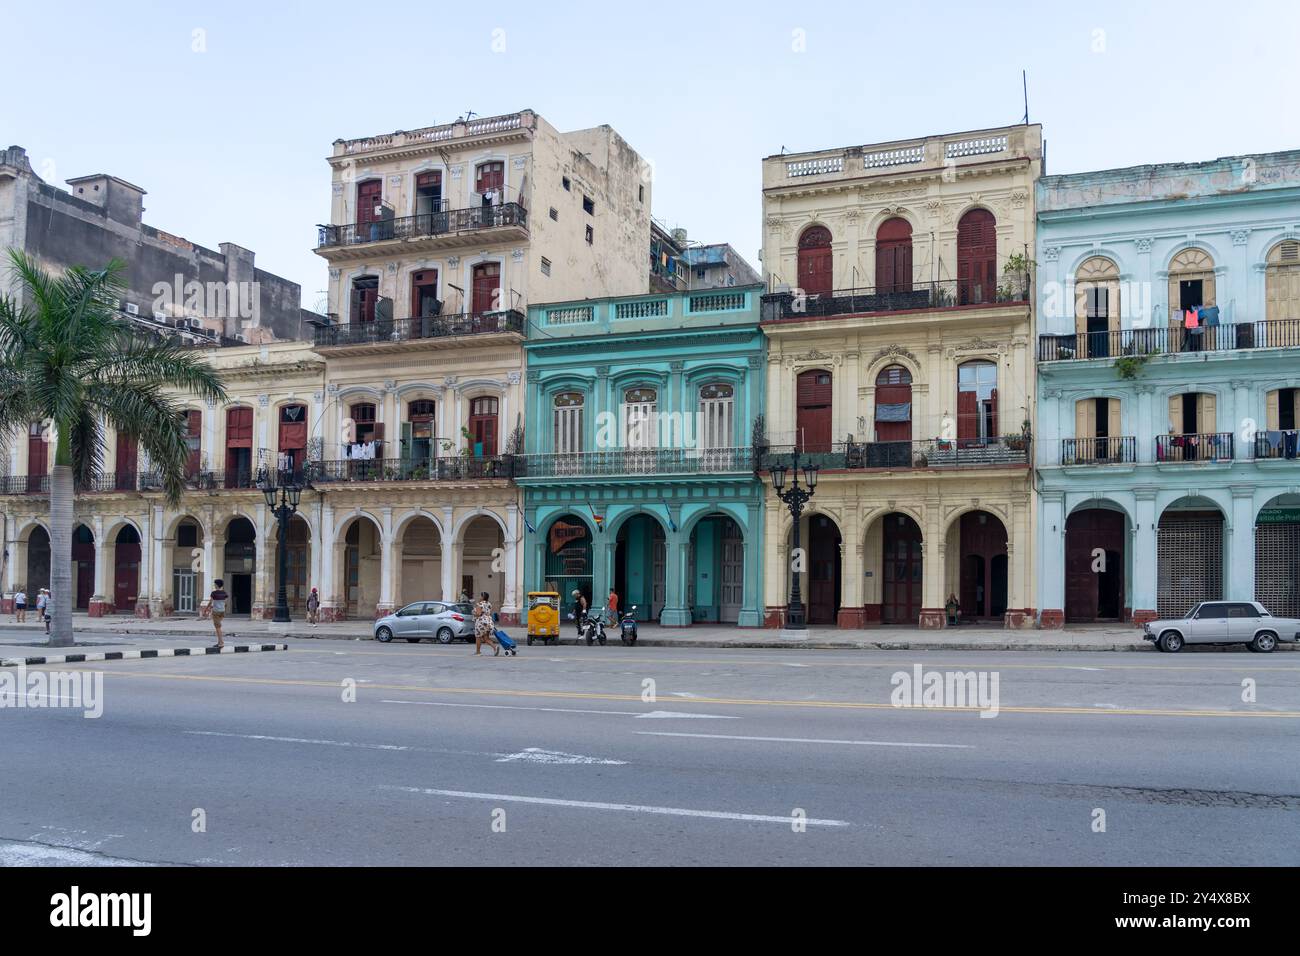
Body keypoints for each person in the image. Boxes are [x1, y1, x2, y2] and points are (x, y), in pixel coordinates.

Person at [473, 591, 500, 656]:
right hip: (489, 621)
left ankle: (478, 652)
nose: (479, 597)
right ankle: (495, 647)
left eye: (480, 596)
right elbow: (488, 612)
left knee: (478, 637)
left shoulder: (479, 604)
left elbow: (478, 614)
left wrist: (474, 613)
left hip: (481, 622)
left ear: (482, 597)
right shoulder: (489, 604)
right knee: (486, 638)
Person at [210, 579, 229, 648]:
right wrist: (224, 610)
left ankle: (221, 642)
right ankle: (219, 642)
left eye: (215, 584)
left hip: (216, 612)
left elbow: (210, 602)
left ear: (217, 585)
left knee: (218, 628)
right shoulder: (224, 593)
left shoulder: (214, 593)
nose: (214, 585)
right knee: (218, 626)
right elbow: (226, 603)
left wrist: (205, 610)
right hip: (222, 611)